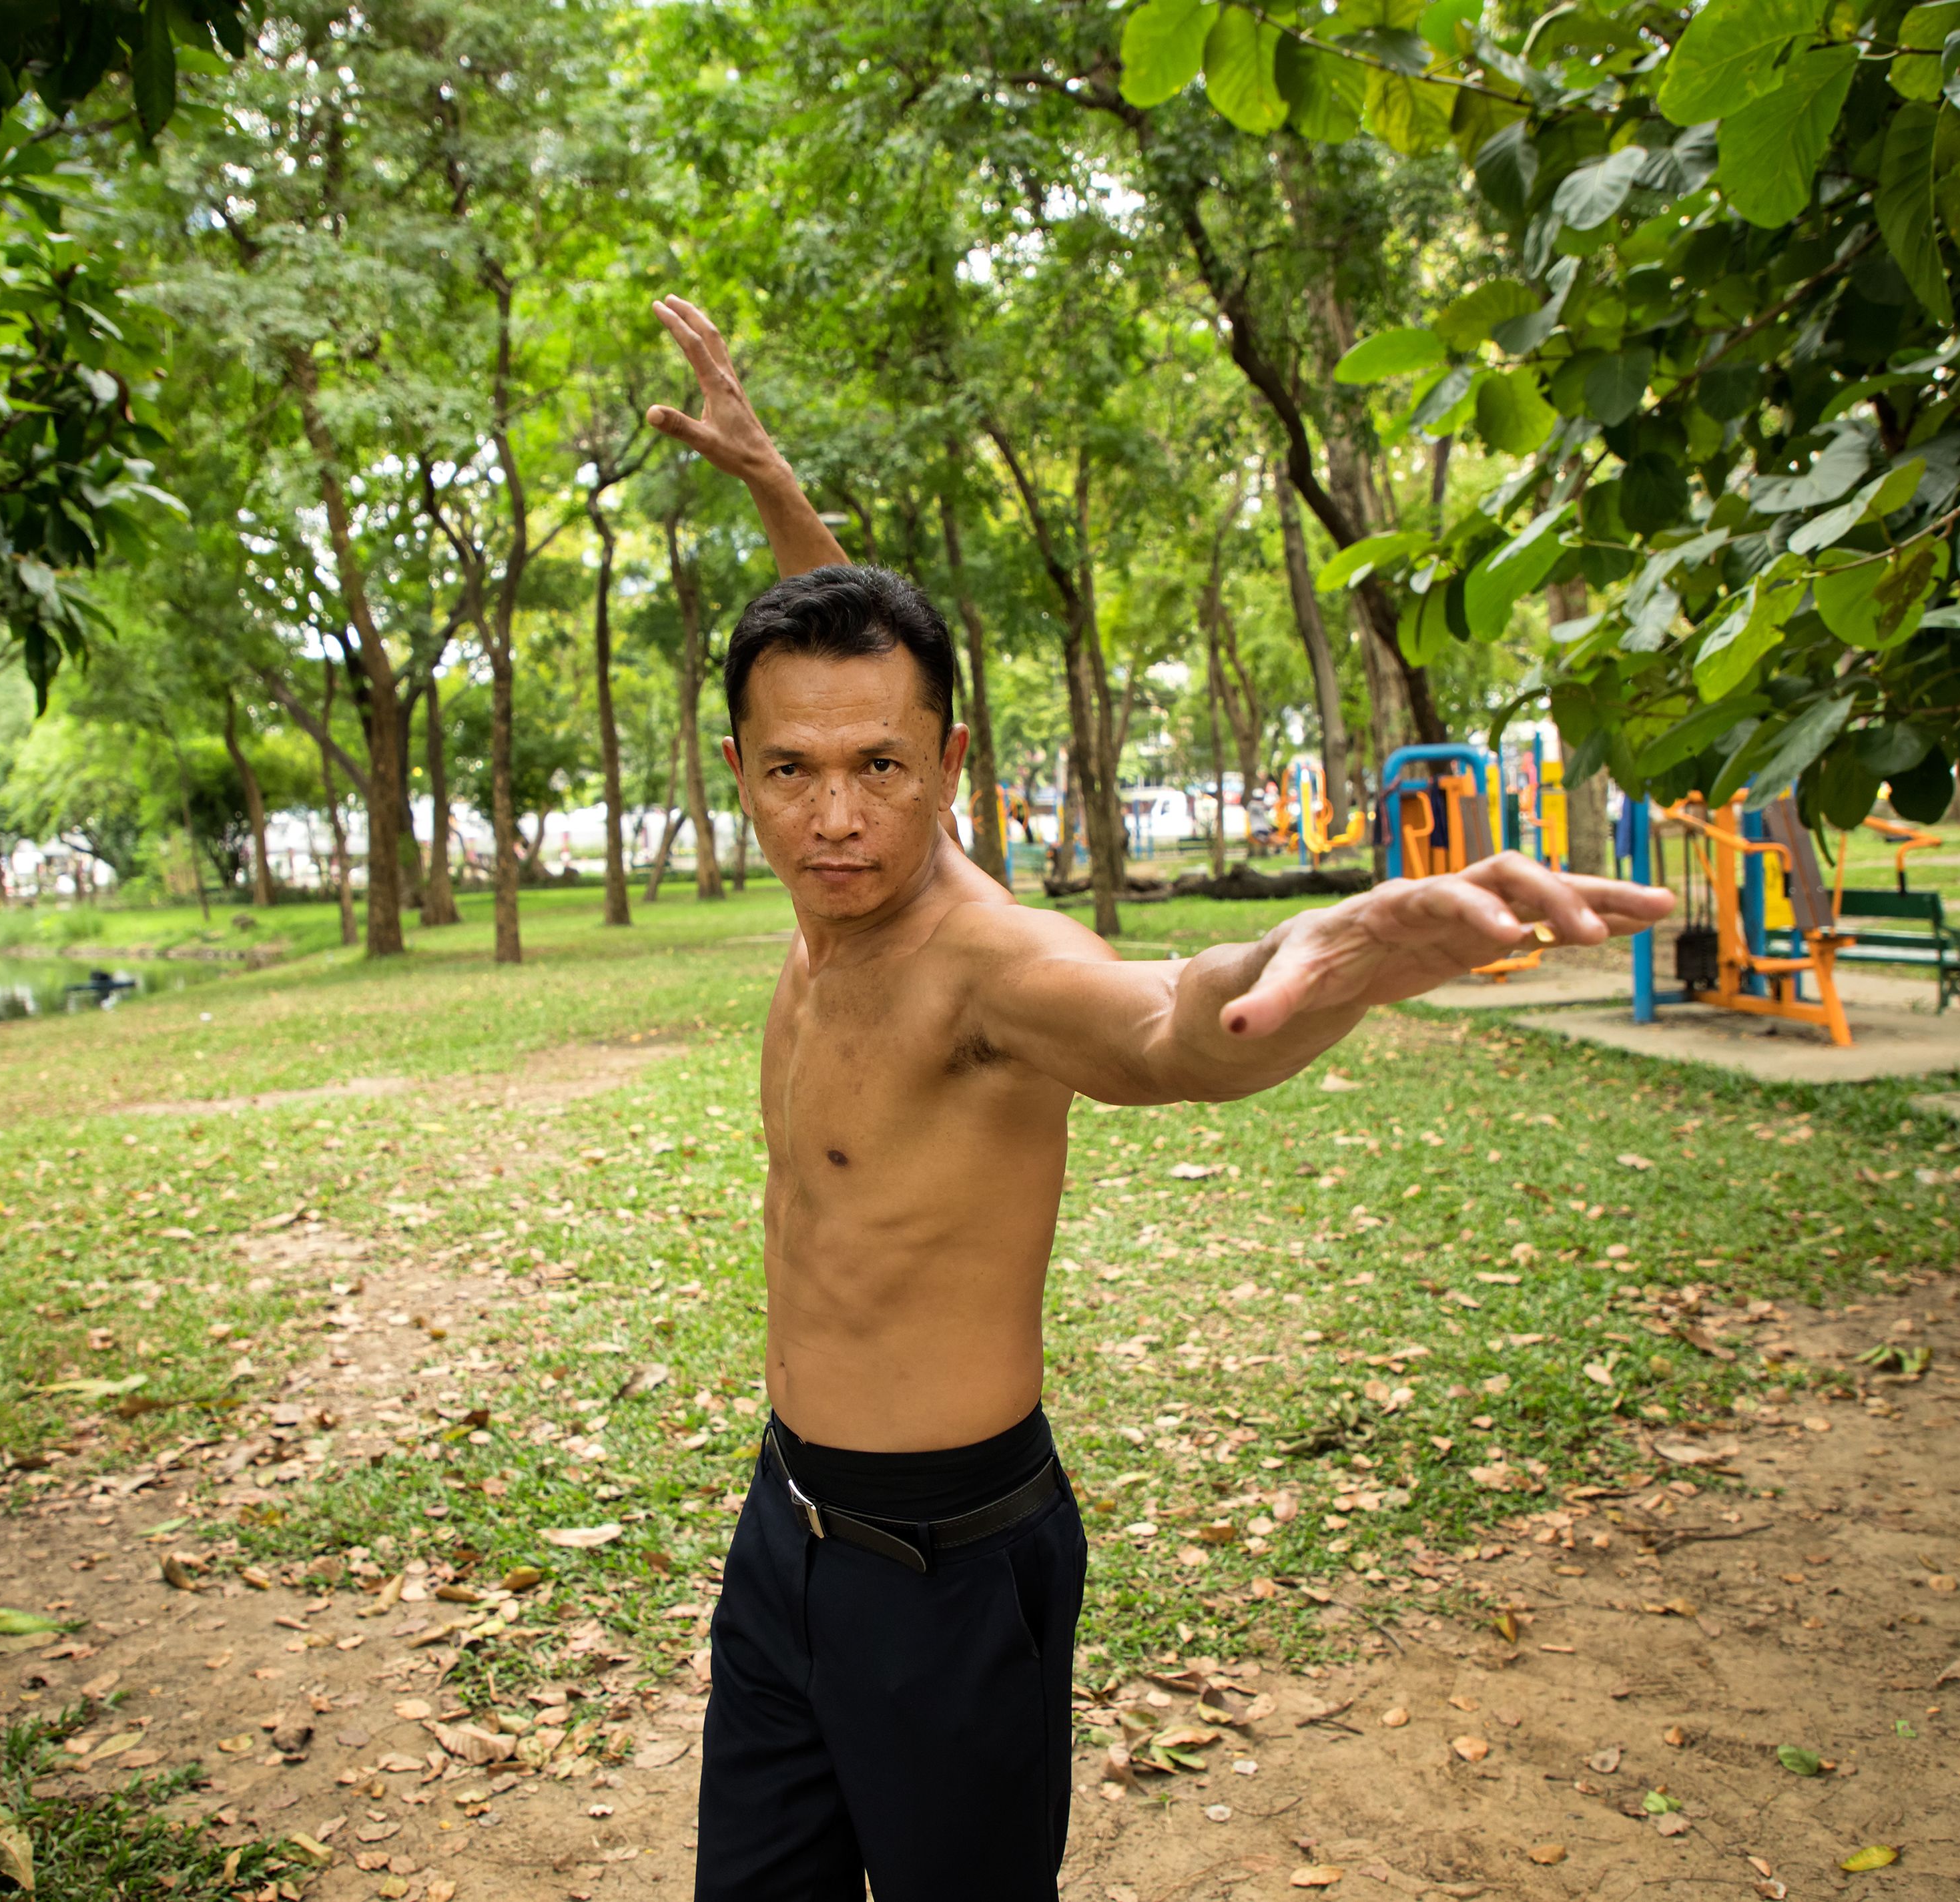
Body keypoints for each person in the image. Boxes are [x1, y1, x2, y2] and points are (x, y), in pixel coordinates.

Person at [641, 294, 1676, 1902]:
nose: (835, 813)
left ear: (949, 764)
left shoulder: (985, 960)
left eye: (881, 771)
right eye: (792, 772)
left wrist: (1319, 957)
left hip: (941, 1565)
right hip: (782, 1535)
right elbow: (841, 670)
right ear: (744, 768)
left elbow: (1165, 1032)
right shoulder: (825, 854)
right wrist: (776, 481)